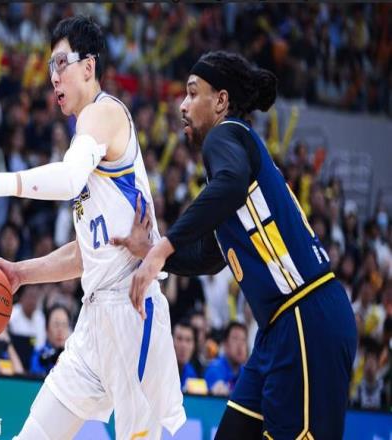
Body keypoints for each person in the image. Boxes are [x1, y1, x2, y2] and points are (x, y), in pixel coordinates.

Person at [0, 16, 185, 440]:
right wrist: (20, 273)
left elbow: (68, 180)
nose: (54, 76)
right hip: (94, 320)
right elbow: (86, 253)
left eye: (61, 63)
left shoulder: (105, 114)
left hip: (133, 311)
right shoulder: (86, 143)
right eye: (50, 66)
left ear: (89, 67)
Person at [124, 51, 357, 439]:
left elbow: (229, 185)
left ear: (221, 101)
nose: (182, 105)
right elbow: (209, 257)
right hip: (280, 328)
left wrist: (162, 248)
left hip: (305, 316)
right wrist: (150, 251)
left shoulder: (226, 134)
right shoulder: (235, 167)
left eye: (192, 93)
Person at [204, 321, 248, 396]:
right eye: (235, 339)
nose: (240, 344)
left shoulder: (246, 372)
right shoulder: (215, 368)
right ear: (225, 345)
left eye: (243, 340)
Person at [29, 304, 71, 376]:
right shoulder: (38, 356)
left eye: (64, 325)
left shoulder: (74, 357)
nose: (60, 329)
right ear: (46, 328)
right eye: (56, 324)